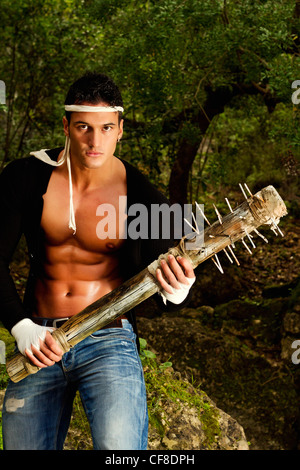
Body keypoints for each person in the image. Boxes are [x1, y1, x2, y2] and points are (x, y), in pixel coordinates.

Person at [0, 72, 196, 450]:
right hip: (40, 340)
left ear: (120, 129)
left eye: (106, 128)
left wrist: (179, 290)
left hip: (108, 337)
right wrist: (21, 327)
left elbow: (172, 286)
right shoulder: (23, 176)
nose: (95, 141)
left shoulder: (145, 198)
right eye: (83, 128)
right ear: (66, 126)